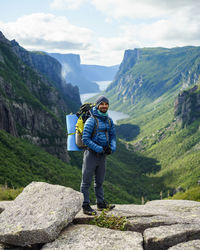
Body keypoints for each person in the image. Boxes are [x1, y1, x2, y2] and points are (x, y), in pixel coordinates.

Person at [80, 96, 116, 215]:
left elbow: (113, 137)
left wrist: (112, 147)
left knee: (99, 181)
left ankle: (100, 204)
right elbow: (85, 139)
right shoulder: (91, 120)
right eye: (102, 104)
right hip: (91, 154)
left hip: (102, 156)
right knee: (86, 182)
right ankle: (85, 205)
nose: (104, 106)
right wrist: (99, 148)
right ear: (97, 105)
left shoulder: (109, 121)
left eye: (106, 104)